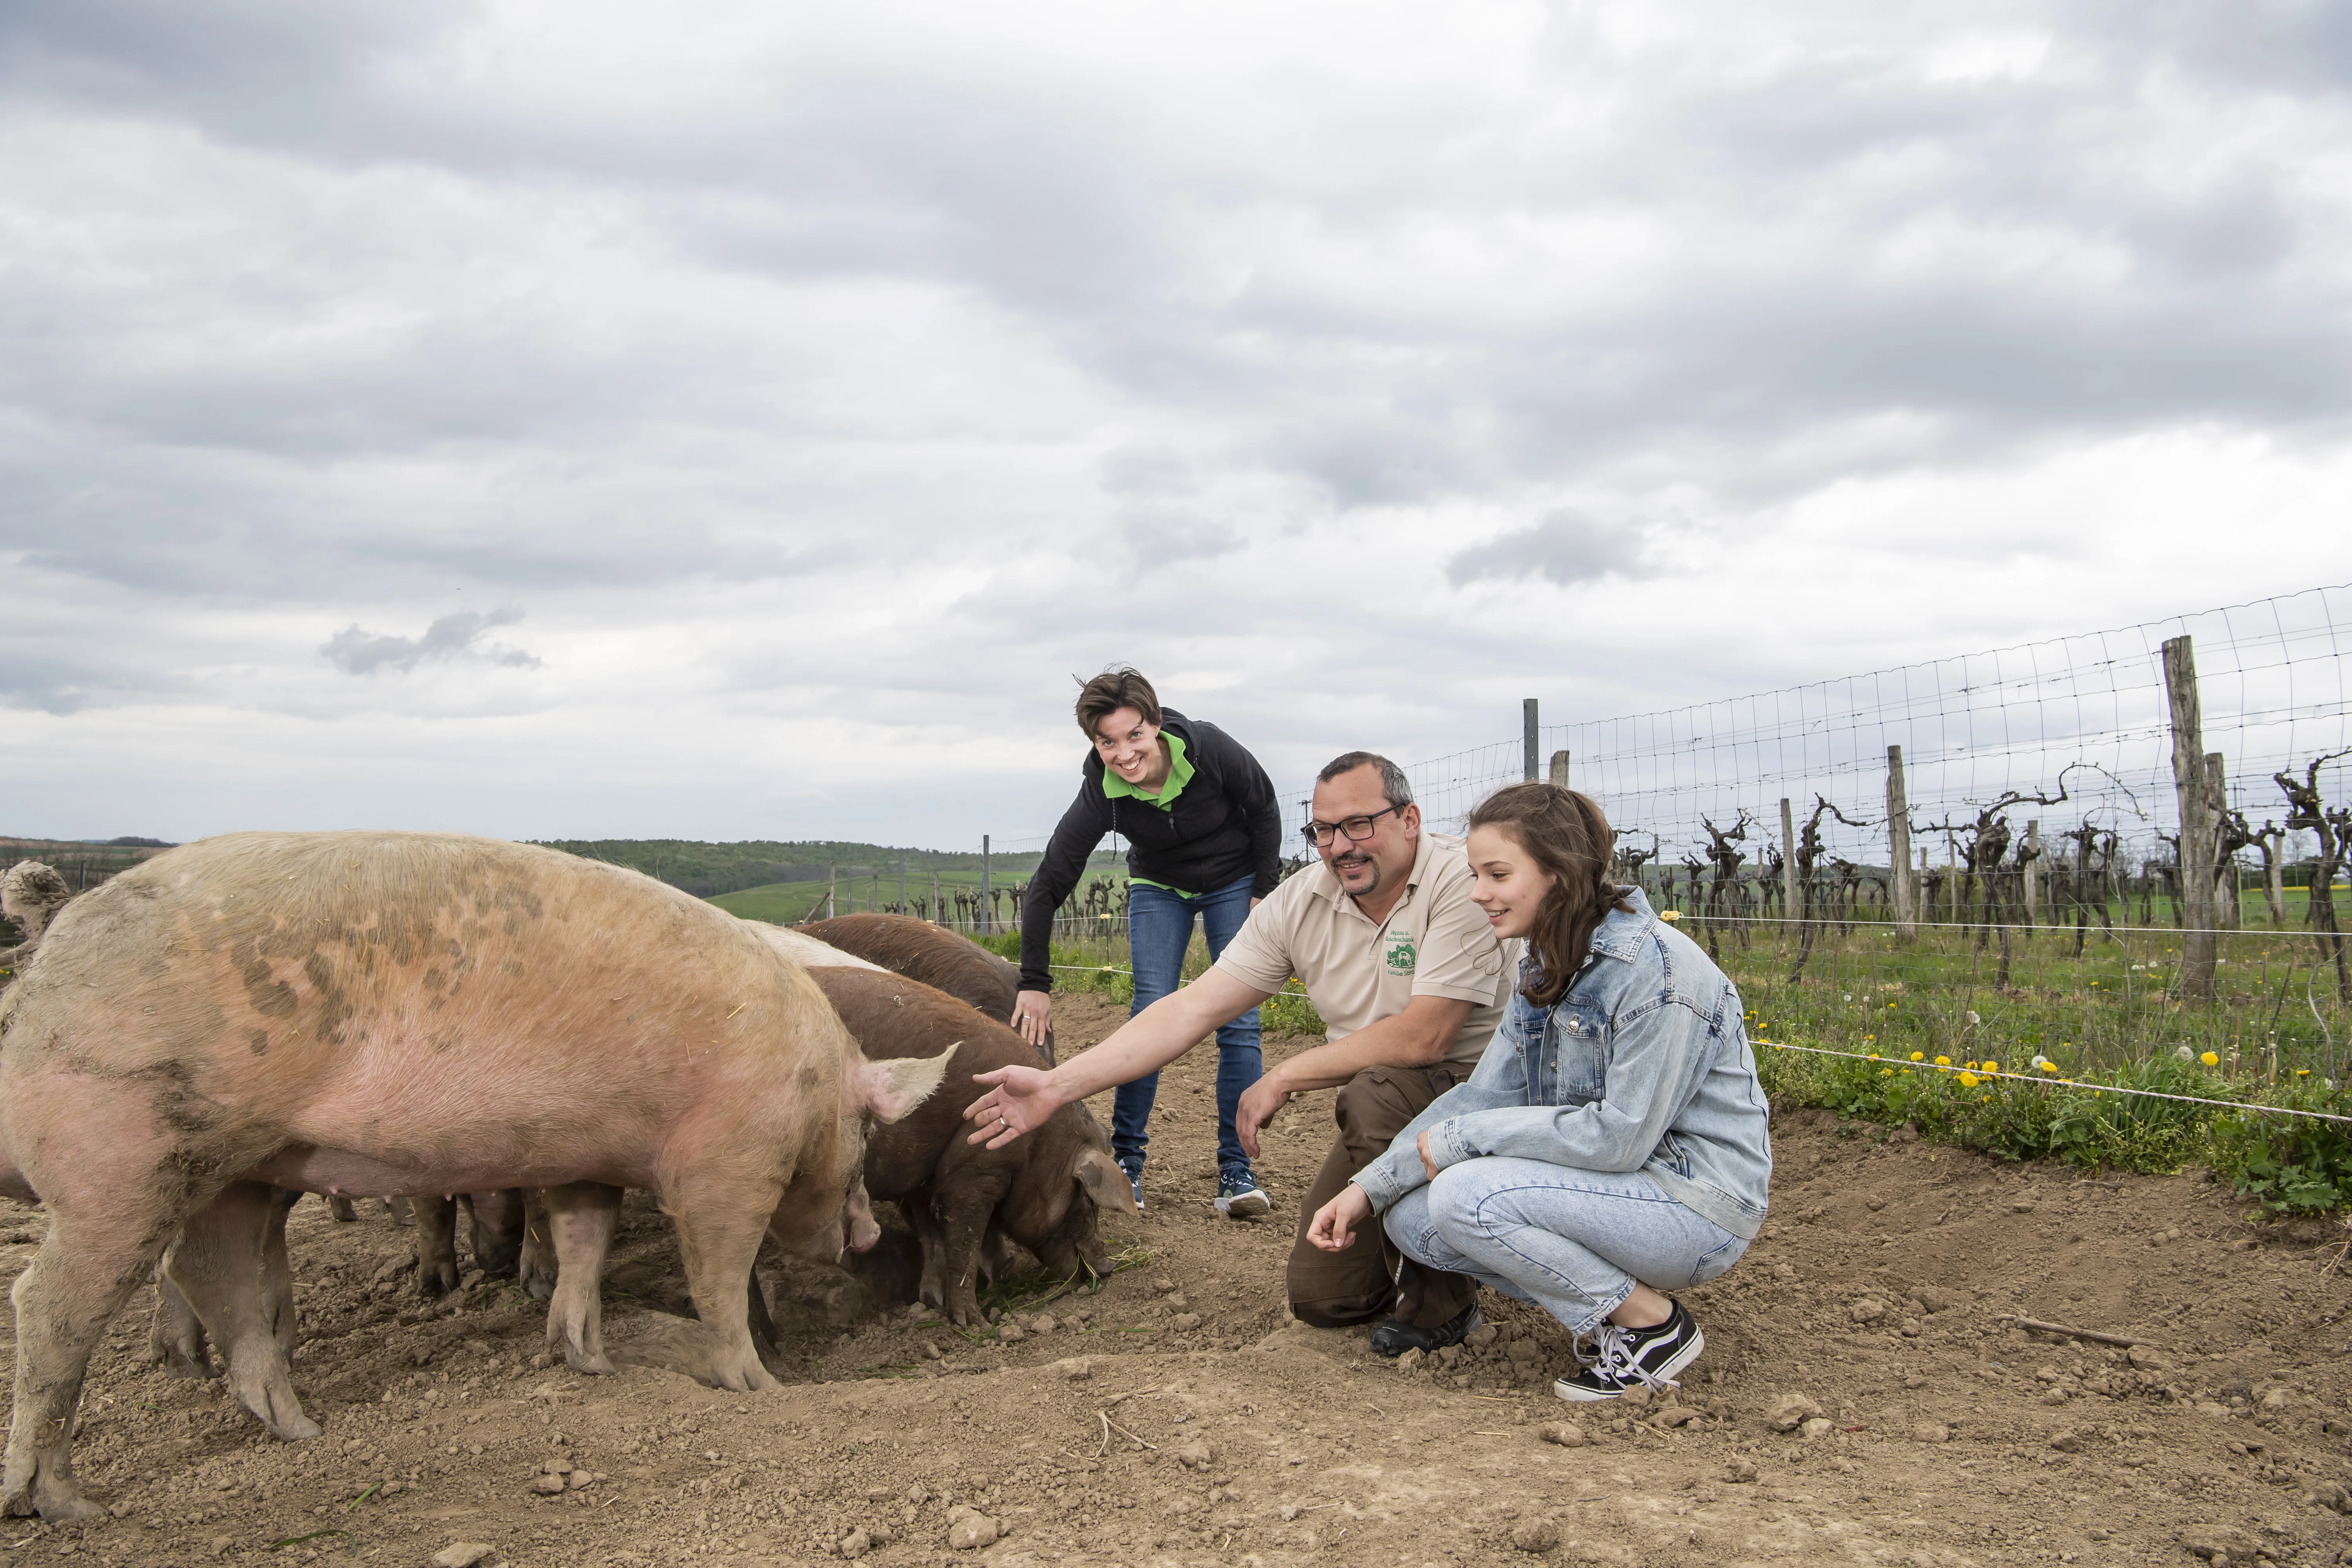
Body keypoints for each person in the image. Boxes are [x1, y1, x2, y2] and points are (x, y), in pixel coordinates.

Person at [973, 751, 1518, 1357]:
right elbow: (1191, 1009)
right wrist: (1056, 1087)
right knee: (1322, 1299)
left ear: (1410, 819)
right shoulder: (1301, 903)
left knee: (1374, 1093)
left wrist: (1285, 1073)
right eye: (1324, 831)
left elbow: (1426, 1038)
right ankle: (1447, 1244)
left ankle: (1445, 1302)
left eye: (1360, 825)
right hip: (1388, 1105)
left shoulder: (1458, 884)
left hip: (1488, 1095)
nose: (1341, 847)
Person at [1306, 782, 1771, 1400]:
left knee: (1463, 1195)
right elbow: (1483, 1096)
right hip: (1614, 1194)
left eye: (1498, 874)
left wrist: (1464, 1142)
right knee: (1414, 1220)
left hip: (1694, 1205)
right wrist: (1367, 1190)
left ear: (1559, 874)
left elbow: (1618, 1140)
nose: (1478, 893)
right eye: (1475, 874)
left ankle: (1652, 1327)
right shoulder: (1547, 961)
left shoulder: (1659, 974)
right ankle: (1618, 1312)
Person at [1011, 667, 1285, 1218]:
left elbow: (1264, 806)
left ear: (1155, 725)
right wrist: (1035, 982)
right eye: (1107, 742)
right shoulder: (1101, 792)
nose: (1124, 754)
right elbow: (1050, 881)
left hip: (1233, 881)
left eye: (1134, 735)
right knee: (1150, 1011)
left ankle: (1237, 1173)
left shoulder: (1208, 749)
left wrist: (1262, 889)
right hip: (1159, 885)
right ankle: (1127, 1166)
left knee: (1239, 1020)